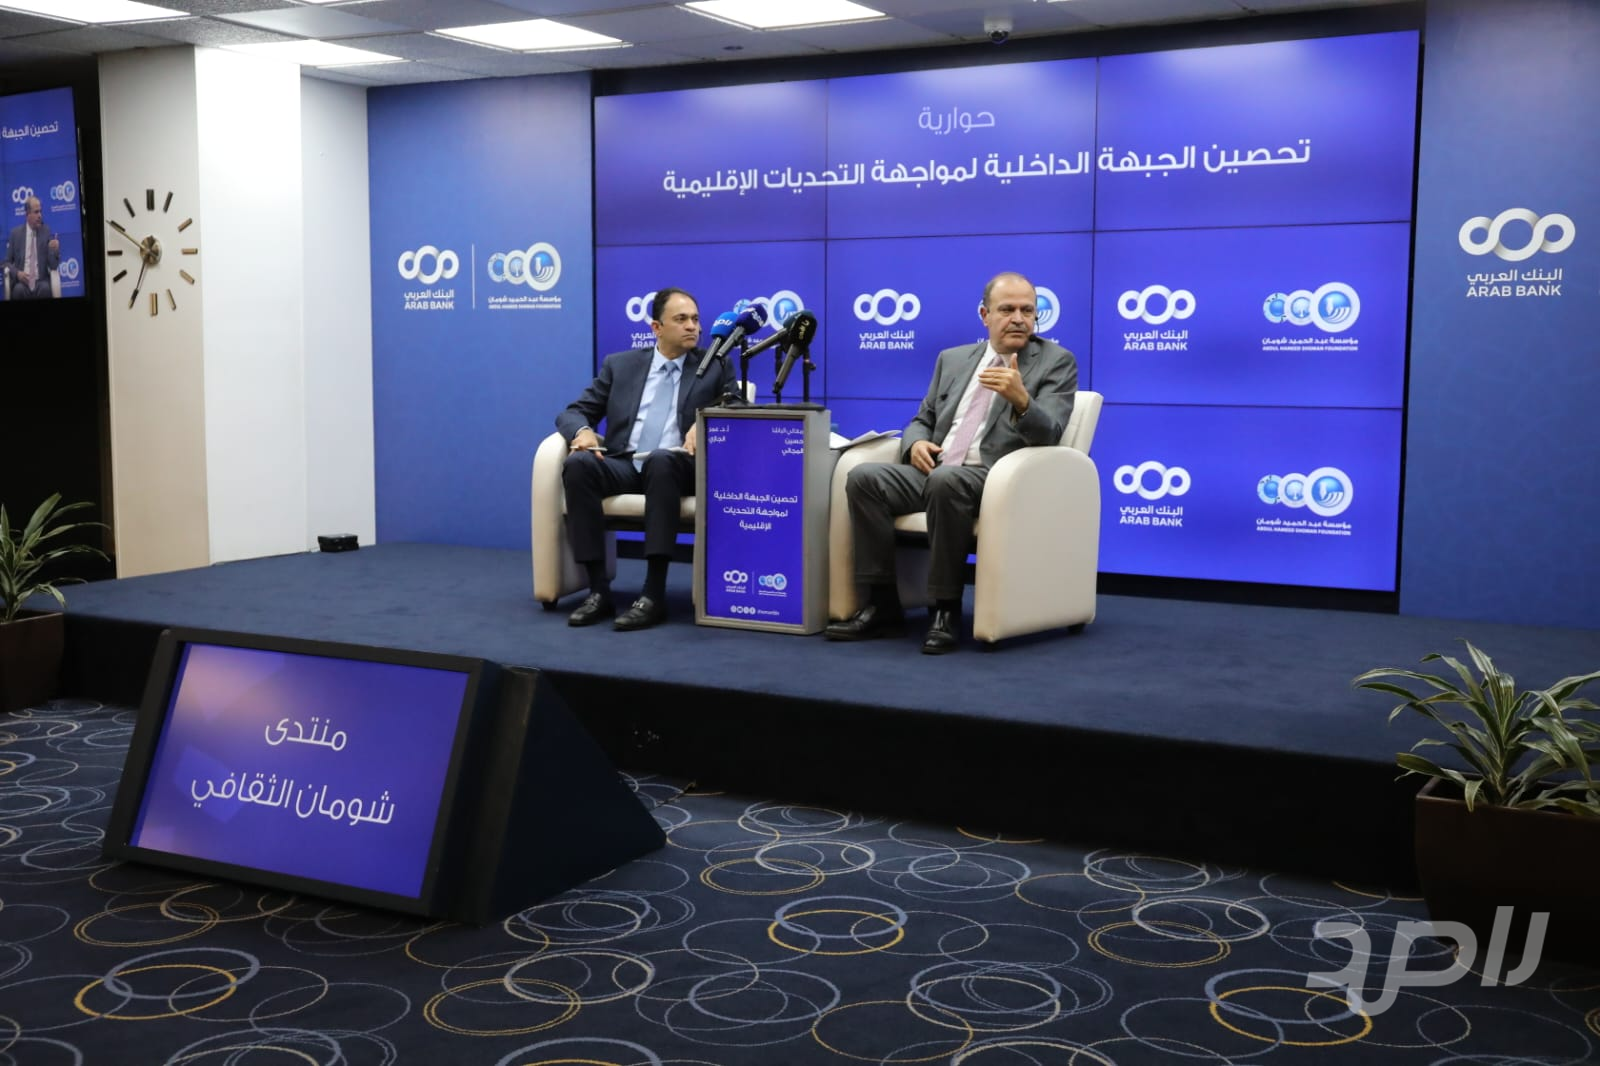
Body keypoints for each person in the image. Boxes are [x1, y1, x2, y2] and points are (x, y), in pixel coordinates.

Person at [826, 272, 1078, 654]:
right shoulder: (954, 359)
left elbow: (1051, 435)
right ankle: (883, 604)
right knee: (865, 478)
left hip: (996, 479)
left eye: (1028, 311)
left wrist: (1022, 401)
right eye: (1007, 310)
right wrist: (915, 444)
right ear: (985, 315)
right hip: (937, 469)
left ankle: (944, 608)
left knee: (947, 481)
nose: (1019, 319)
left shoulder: (1055, 362)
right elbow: (922, 418)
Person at [555, 287, 738, 631]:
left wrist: (707, 422)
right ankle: (598, 591)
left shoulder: (715, 365)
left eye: (695, 319)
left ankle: (653, 594)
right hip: (626, 463)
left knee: (661, 461)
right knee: (578, 465)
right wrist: (582, 432)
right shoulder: (620, 365)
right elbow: (574, 412)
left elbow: (738, 408)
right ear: (656, 327)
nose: (693, 327)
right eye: (681, 319)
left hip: (679, 466)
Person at [6, 196, 59, 300]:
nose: (40, 215)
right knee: (18, 290)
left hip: (41, 282)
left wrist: (54, 250)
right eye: (36, 212)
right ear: (27, 214)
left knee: (45, 289)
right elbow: (6, 262)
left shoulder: (46, 231)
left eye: (40, 211)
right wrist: (17, 274)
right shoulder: (15, 234)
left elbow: (53, 266)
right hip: (22, 283)